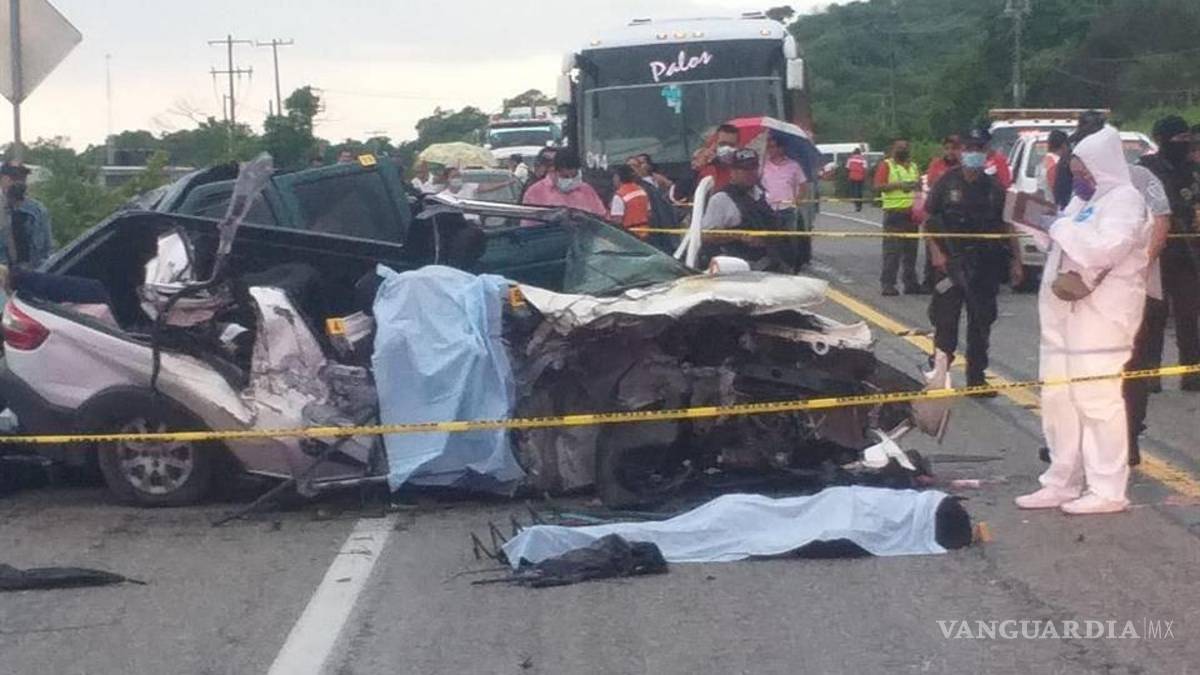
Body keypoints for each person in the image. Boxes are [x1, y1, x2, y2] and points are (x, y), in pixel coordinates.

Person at [1015, 125, 1151, 515]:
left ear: (1102, 167)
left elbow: (1103, 250)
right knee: (1058, 397)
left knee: (1096, 399)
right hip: (1064, 314)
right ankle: (1062, 480)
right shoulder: (1083, 199)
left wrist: (1059, 226)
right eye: (1075, 172)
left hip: (1102, 319)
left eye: (1083, 172)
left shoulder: (1124, 201)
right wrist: (1040, 226)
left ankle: (1108, 488)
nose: (1079, 179)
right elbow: (1066, 240)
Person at [925, 130, 1024, 396]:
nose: (973, 153)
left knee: (981, 323)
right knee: (945, 322)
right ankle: (939, 376)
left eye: (979, 149)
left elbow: (1007, 226)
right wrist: (936, 253)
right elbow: (929, 219)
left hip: (984, 264)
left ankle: (976, 379)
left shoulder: (994, 188)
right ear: (961, 152)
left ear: (986, 152)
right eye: (969, 148)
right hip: (951, 262)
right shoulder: (946, 182)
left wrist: (1017, 261)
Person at [1139, 115, 1200, 392]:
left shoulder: (1193, 169)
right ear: (1162, 140)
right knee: (1154, 316)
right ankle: (1150, 373)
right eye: (1178, 138)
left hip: (1189, 253)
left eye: (1187, 138)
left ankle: (1191, 373)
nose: (1184, 144)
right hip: (1157, 253)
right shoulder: (1146, 170)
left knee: (1189, 316)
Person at [1123, 163, 1173, 465]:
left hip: (1137, 293)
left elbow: (1161, 221)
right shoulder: (1084, 185)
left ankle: (1129, 437)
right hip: (1092, 300)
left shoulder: (1141, 178)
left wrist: (1141, 265)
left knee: (1132, 368)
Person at [699, 148, 780, 269]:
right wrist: (739, 236)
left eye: (753, 168)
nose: (750, 173)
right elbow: (706, 235)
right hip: (735, 265)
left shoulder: (762, 195)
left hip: (767, 262)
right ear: (733, 171)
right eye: (744, 169)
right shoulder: (721, 199)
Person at [874, 138, 924, 296]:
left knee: (911, 251)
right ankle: (888, 284)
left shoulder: (914, 166)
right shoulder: (887, 165)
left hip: (911, 213)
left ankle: (911, 283)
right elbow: (878, 186)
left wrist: (917, 195)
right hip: (894, 212)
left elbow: (920, 186)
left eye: (905, 147)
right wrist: (898, 185)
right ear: (893, 149)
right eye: (899, 147)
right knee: (892, 252)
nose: (903, 150)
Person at [761, 131, 811, 271]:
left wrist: (796, 201)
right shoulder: (763, 165)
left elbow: (803, 185)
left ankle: (791, 265)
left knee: (790, 239)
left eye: (773, 147)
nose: (770, 150)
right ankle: (774, 265)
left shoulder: (793, 165)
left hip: (787, 209)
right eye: (769, 147)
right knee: (771, 240)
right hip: (768, 208)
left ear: (781, 148)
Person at [520, 150, 607, 217]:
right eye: (565, 176)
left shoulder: (587, 191)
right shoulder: (535, 193)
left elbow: (602, 218)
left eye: (574, 176)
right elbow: (528, 225)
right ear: (553, 171)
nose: (570, 180)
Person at [0, 162, 53, 270]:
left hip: (32, 272)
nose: (19, 182)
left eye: (22, 178)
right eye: (14, 178)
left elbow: (46, 250)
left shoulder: (37, 211)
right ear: (3, 179)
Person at [609, 165, 651, 236]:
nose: (613, 180)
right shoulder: (641, 191)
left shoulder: (619, 195)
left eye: (614, 177)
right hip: (645, 232)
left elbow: (617, 220)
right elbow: (649, 213)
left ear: (618, 177)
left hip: (629, 235)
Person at [1038, 130, 1069, 199]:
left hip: (1046, 202)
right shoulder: (1057, 164)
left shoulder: (1043, 162)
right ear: (1064, 145)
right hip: (1055, 202)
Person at [846, 148, 869, 212]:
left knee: (853, 191)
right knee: (859, 191)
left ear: (854, 152)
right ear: (860, 153)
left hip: (852, 176)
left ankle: (856, 205)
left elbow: (847, 168)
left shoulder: (850, 159)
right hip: (860, 177)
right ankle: (859, 205)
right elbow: (865, 168)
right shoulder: (863, 159)